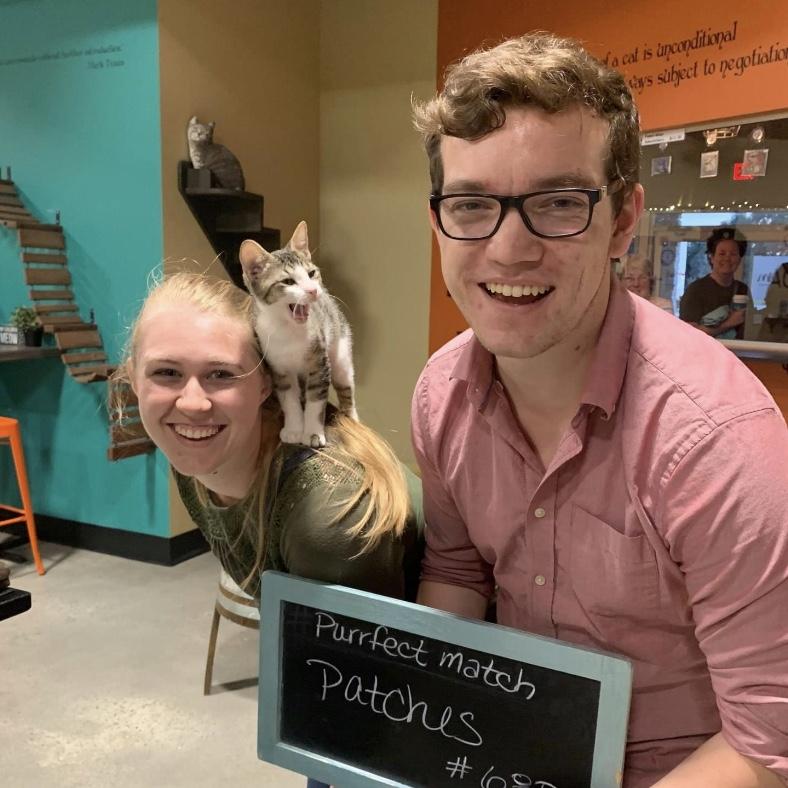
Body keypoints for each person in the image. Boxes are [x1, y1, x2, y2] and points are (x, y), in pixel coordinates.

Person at [411, 32, 788, 788]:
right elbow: (457, 573)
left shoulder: (717, 443)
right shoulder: (441, 395)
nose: (508, 250)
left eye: (558, 203)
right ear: (437, 219)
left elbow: (768, 743)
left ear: (622, 221)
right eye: (472, 204)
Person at [680, 227, 750, 339]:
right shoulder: (696, 290)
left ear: (739, 259)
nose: (727, 258)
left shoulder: (743, 289)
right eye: (722, 254)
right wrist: (728, 323)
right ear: (711, 257)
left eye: (733, 254)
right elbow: (688, 334)